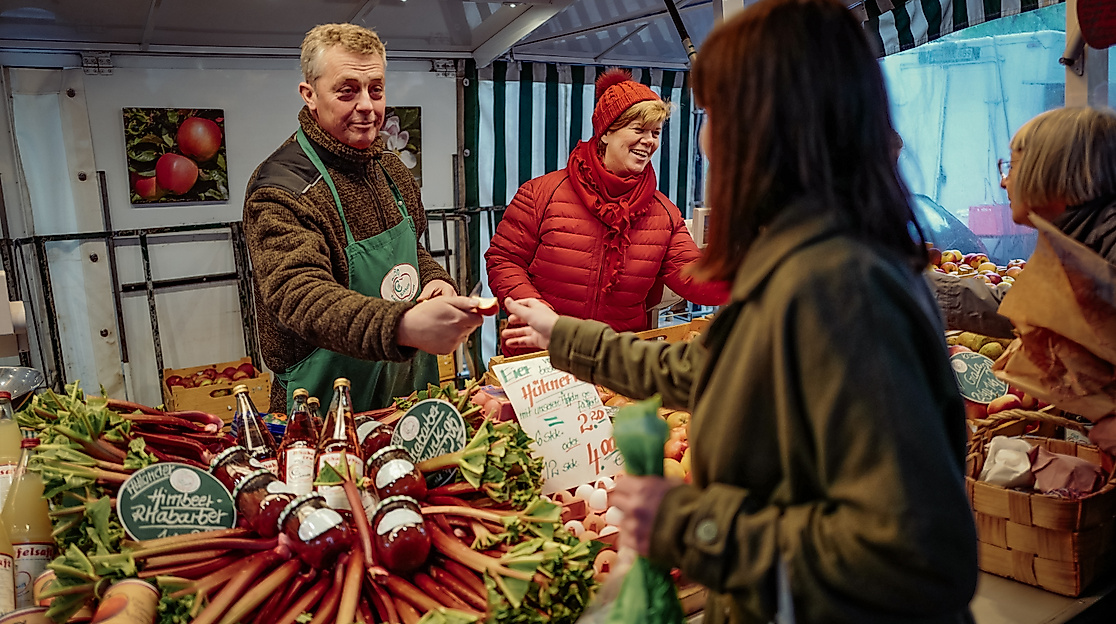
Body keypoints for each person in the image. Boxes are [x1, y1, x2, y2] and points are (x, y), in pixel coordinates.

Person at [503, 0, 978, 622]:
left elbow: (918, 557)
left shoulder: (842, 287)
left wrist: (689, 522)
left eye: (715, 114)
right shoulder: (802, 254)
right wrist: (561, 333)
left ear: (772, 126)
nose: (702, 141)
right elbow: (709, 370)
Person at [243, 23, 483, 413]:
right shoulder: (281, 188)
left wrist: (436, 280)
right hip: (324, 404)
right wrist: (403, 326)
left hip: (407, 388)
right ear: (310, 94)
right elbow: (300, 296)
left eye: (376, 89)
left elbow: (413, 250)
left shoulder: (391, 168)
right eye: (347, 90)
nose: (367, 105)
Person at [485, 69, 729, 356]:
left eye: (655, 133)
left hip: (612, 362)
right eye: (638, 130)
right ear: (606, 133)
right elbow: (503, 259)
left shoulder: (663, 214)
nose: (649, 141)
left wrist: (752, 277)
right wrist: (535, 309)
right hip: (539, 355)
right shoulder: (541, 194)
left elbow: (695, 277)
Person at [929, 106, 1116, 338]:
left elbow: (1043, 314)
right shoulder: (1081, 240)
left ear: (1051, 173)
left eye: (1012, 167)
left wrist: (923, 285)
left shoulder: (1105, 248)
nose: (1003, 182)